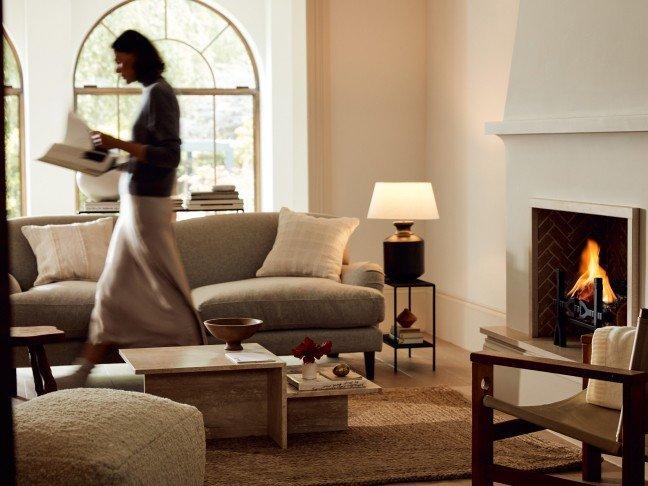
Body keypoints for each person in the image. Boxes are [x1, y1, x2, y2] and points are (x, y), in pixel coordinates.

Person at [61, 30, 205, 387]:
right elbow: (144, 157)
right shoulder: (149, 93)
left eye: (121, 60)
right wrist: (106, 160)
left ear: (138, 57)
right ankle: (84, 370)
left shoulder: (160, 94)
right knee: (114, 287)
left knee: (165, 288)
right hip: (134, 206)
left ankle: (196, 356)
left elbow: (169, 156)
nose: (117, 68)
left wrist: (118, 142)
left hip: (147, 210)